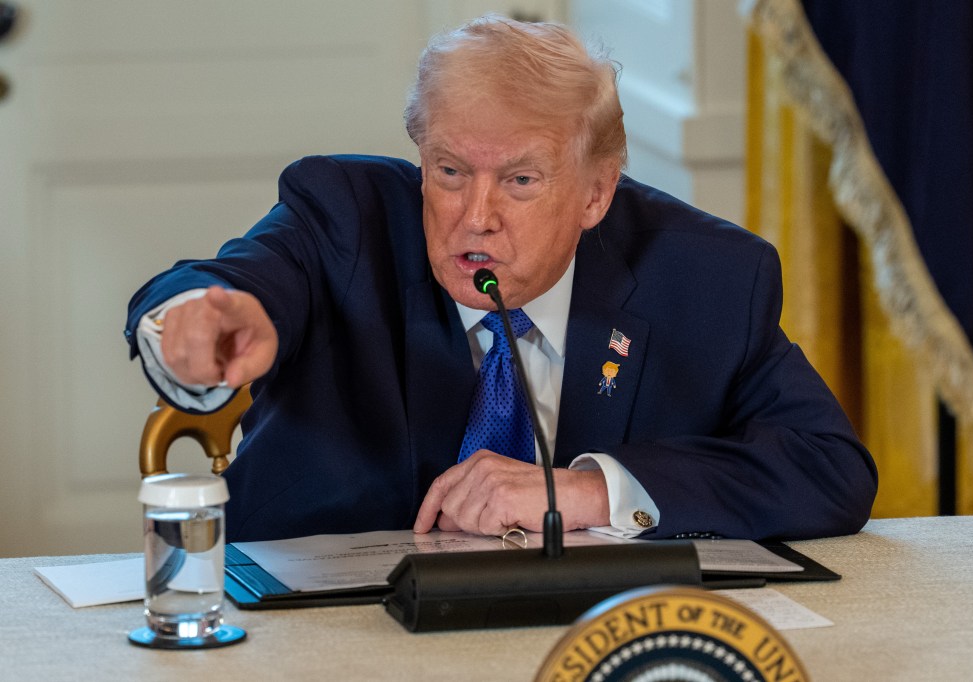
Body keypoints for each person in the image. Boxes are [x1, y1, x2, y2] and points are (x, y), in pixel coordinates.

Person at [125, 15, 877, 543]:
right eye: (449, 171)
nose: (474, 217)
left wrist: (584, 492)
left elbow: (829, 467)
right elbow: (218, 287)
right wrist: (189, 319)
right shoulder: (343, 218)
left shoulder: (704, 277)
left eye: (519, 180)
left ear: (594, 193)